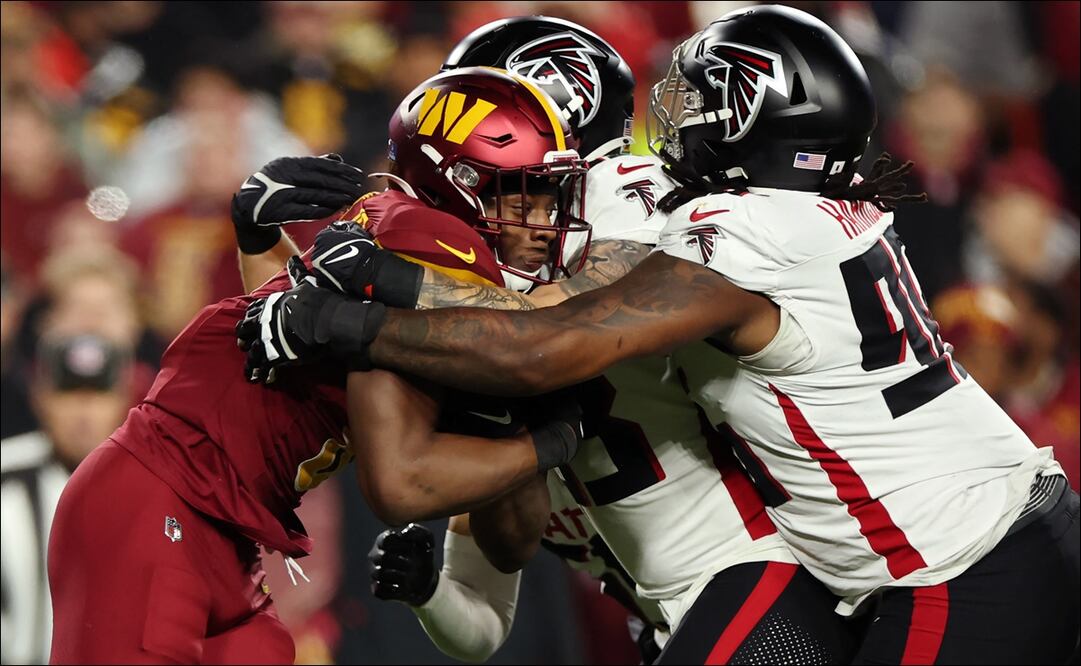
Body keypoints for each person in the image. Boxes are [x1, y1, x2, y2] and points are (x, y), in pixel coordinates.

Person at [242, 6, 1080, 664]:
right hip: (943, 548)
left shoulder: (699, 218)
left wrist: (344, 307)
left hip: (949, 558)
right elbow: (492, 491)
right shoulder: (763, 214)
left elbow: (545, 337)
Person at [46, 68, 589, 665]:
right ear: (461, 180)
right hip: (164, 502)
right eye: (523, 193)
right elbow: (401, 480)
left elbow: (284, 349)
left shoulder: (396, 238)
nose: (542, 221)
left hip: (223, 527)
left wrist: (261, 240)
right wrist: (551, 442)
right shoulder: (428, 242)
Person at [1, 334, 135, 665]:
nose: (84, 413)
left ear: (124, 399)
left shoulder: (153, 485)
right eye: (69, 393)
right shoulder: (6, 476)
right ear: (40, 397)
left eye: (97, 394)